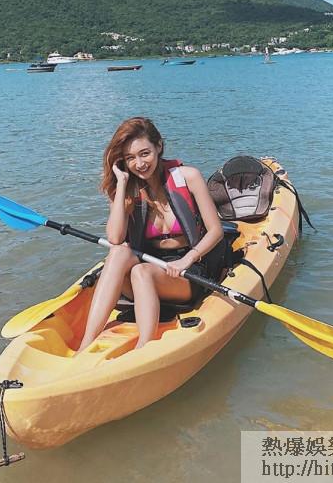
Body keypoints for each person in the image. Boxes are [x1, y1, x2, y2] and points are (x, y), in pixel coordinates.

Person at [77, 117, 224, 351]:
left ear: (159, 146)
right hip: (147, 263)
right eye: (130, 158)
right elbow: (115, 238)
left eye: (144, 153)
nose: (139, 164)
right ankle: (86, 342)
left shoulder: (188, 177)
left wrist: (187, 259)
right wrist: (121, 184)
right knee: (119, 252)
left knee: (141, 271)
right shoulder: (127, 189)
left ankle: (144, 348)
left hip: (186, 270)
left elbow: (216, 231)